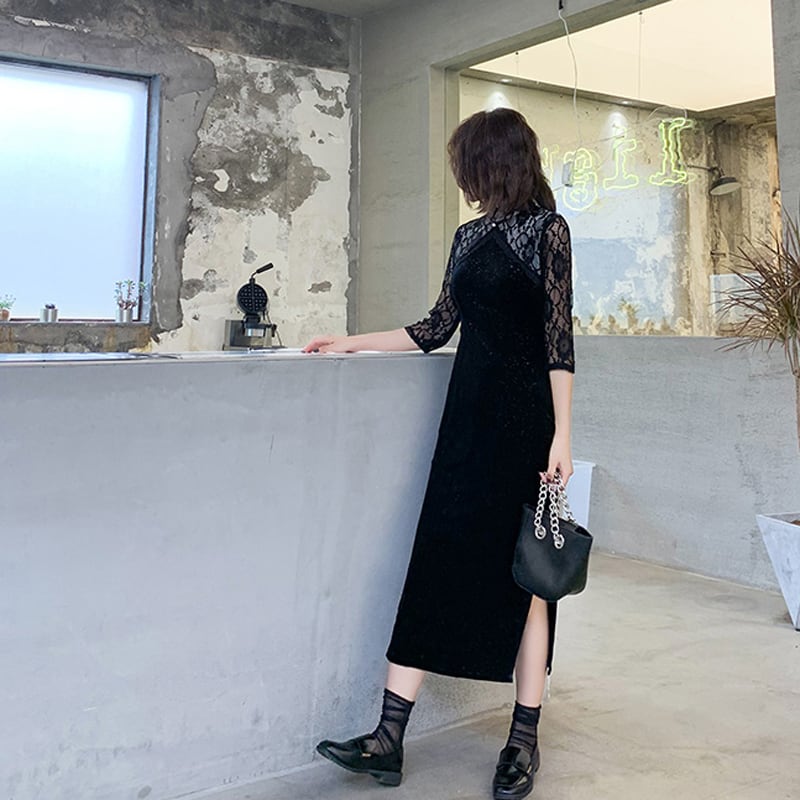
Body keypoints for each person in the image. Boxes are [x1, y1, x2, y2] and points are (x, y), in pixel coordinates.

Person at [303, 107, 575, 800]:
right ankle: (387, 739)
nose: (461, 178)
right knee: (435, 562)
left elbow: (559, 341)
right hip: (466, 424)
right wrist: (349, 341)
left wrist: (563, 435)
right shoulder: (468, 236)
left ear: (495, 162)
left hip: (526, 426)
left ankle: (523, 742)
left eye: (467, 164)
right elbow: (434, 328)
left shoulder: (548, 231)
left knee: (525, 580)